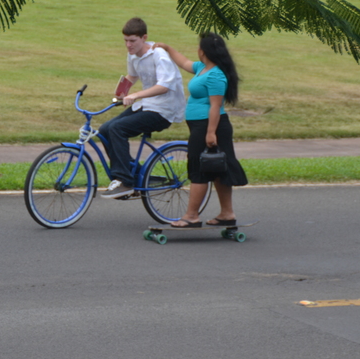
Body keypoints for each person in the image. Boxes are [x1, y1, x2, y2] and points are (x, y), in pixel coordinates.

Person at [153, 33, 248, 227]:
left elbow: (215, 105)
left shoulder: (216, 75)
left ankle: (191, 216)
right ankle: (227, 213)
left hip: (210, 126)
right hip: (201, 125)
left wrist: (211, 132)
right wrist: (168, 48)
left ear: (203, 51)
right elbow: (185, 62)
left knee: (198, 168)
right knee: (217, 168)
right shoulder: (202, 69)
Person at [98, 18, 186, 199]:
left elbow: (164, 86)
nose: (128, 45)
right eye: (125, 41)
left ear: (144, 37)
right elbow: (132, 75)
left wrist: (135, 95)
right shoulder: (133, 54)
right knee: (105, 129)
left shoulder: (159, 55)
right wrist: (121, 93)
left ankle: (125, 182)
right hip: (147, 104)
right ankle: (133, 175)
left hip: (164, 110)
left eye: (132, 41)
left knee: (118, 129)